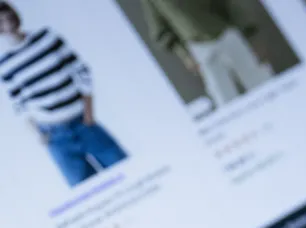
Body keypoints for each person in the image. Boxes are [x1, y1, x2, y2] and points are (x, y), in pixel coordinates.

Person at [0, 2, 128, 187]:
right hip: (54, 135)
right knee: (87, 191)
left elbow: (81, 71)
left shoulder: (47, 38)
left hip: (82, 122)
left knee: (125, 171)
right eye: (2, 20)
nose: (8, 21)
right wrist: (37, 134)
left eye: (9, 15)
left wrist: (88, 113)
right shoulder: (5, 64)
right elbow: (19, 104)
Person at [139, 0, 274, 107]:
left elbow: (228, 3)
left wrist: (250, 35)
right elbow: (161, 31)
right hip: (199, 48)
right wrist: (185, 55)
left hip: (226, 33)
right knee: (225, 100)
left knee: (262, 84)